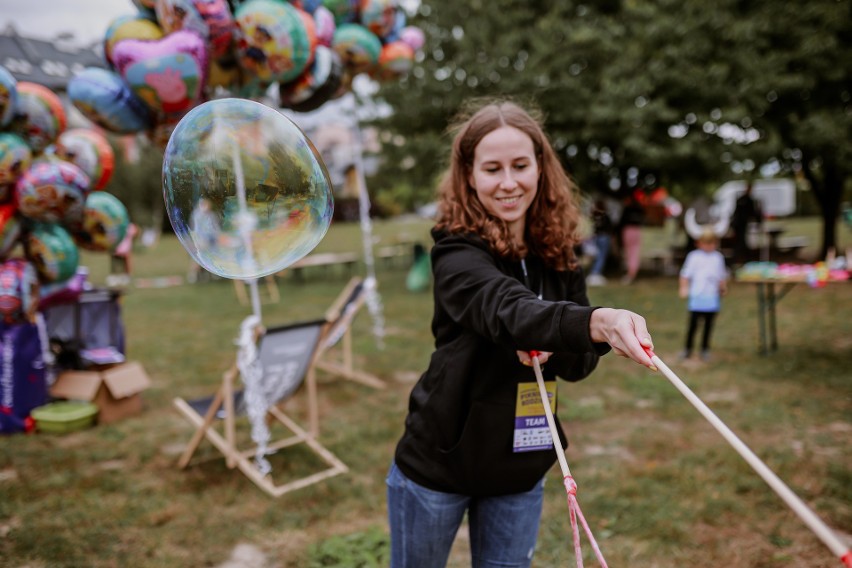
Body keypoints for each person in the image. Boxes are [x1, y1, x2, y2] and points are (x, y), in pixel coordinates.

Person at [387, 99, 657, 568]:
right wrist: (596, 321)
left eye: (520, 165)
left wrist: (564, 344)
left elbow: (578, 365)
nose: (509, 183)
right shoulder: (455, 251)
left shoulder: (559, 251)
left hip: (520, 464)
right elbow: (503, 307)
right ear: (469, 175)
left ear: (540, 168)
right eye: (492, 168)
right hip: (439, 463)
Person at [678, 228, 728, 361]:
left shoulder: (718, 257)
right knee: (693, 325)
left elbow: (721, 276)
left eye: (711, 243)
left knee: (708, 326)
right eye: (706, 243)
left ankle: (704, 349)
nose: (708, 246)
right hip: (697, 296)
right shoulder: (694, 256)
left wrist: (723, 287)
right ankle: (687, 349)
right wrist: (683, 288)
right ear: (699, 243)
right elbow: (685, 274)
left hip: (711, 297)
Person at [617, 191, 645, 284]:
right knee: (634, 251)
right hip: (637, 230)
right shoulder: (640, 208)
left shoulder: (627, 208)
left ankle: (630, 273)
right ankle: (632, 272)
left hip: (629, 230)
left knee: (630, 252)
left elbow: (622, 220)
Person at [731, 182, 762, 265]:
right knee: (740, 241)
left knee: (743, 241)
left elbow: (753, 213)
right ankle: (740, 258)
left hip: (743, 224)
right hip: (739, 224)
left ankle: (743, 257)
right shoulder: (743, 199)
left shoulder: (748, 200)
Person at [586, 197, 614, 286]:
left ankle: (595, 273)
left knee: (598, 256)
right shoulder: (605, 216)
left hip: (597, 237)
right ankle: (595, 274)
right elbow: (610, 227)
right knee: (601, 256)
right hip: (604, 237)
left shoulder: (595, 216)